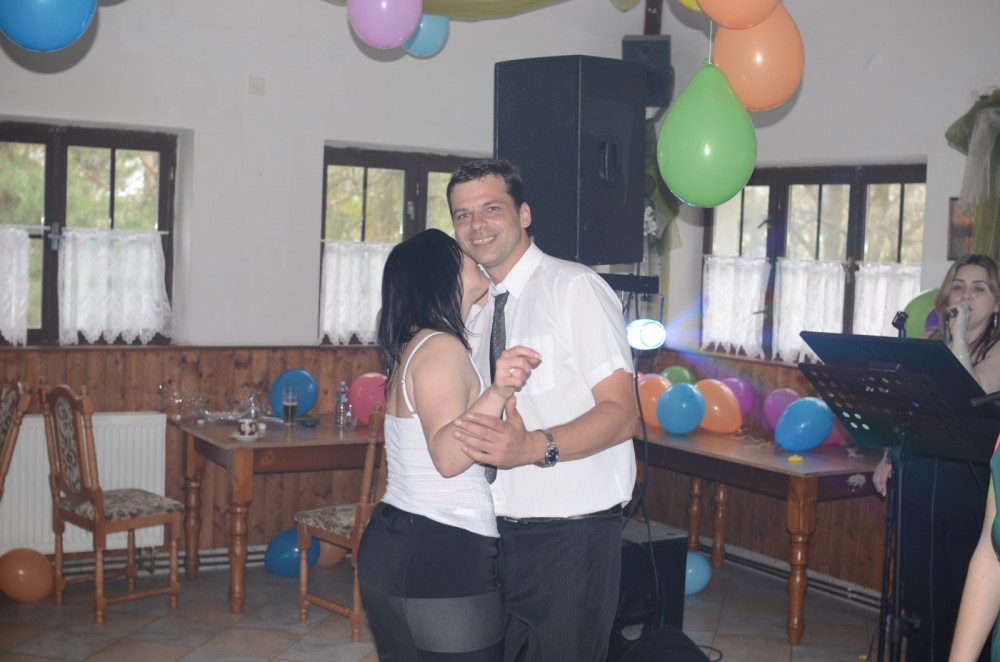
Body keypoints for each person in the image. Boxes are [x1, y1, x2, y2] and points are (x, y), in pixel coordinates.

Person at [447, 158, 638, 662]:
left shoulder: (573, 288)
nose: (477, 224)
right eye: (463, 215)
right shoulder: (478, 312)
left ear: (524, 214)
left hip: (571, 534)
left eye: (491, 208)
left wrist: (533, 447)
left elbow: (622, 414)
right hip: (494, 532)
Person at [357, 228, 540, 661]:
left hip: (403, 540)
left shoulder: (418, 342)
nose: (475, 257)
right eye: (463, 256)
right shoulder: (441, 347)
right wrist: (499, 390)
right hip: (439, 545)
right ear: (441, 275)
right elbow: (447, 457)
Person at [874, 254, 1000, 662]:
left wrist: (959, 338)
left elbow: (967, 402)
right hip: (921, 483)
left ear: (997, 302)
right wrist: (888, 456)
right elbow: (905, 413)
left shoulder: (997, 351)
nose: (966, 295)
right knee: (921, 604)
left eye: (979, 288)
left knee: (959, 601)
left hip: (971, 490)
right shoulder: (928, 344)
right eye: (958, 286)